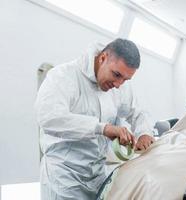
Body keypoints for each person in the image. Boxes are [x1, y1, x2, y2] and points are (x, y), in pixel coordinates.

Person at [35, 38, 155, 200]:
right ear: (103, 58)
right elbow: (49, 117)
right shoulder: (63, 76)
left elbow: (139, 112)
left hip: (97, 178)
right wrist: (103, 129)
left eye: (126, 79)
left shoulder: (118, 85)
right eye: (116, 74)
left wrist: (144, 133)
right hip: (63, 181)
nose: (119, 84)